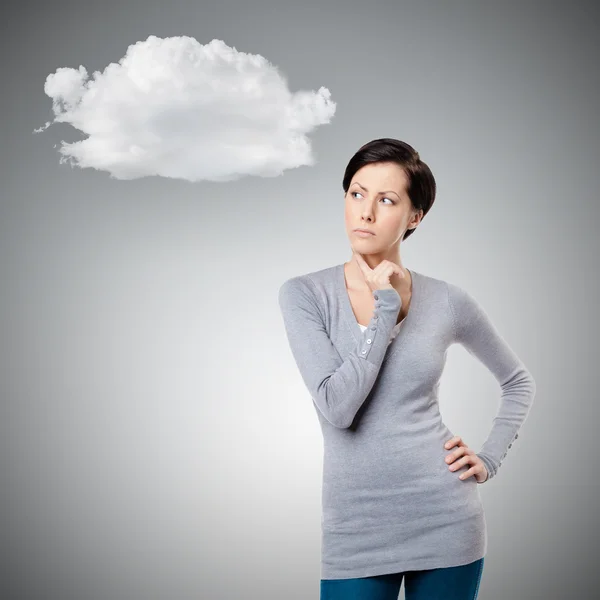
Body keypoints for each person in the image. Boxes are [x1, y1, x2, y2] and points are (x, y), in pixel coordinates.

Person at [278, 138, 536, 600]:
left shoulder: (448, 301)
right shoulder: (305, 294)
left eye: (387, 200)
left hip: (446, 520)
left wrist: (490, 456)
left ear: (415, 217)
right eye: (356, 194)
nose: (366, 212)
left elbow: (517, 381)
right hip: (354, 530)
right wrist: (385, 310)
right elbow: (338, 407)